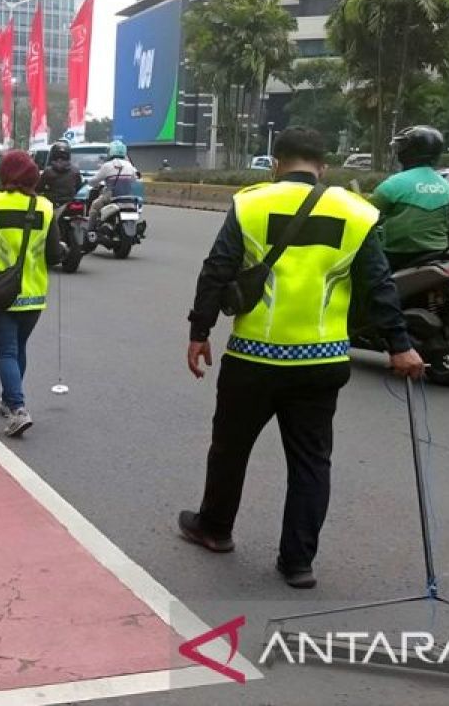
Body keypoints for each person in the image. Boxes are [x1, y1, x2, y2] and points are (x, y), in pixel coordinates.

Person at [181, 126, 424, 590]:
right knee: (312, 462)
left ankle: (214, 529)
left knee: (230, 449)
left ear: (276, 163)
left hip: (252, 359)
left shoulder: (251, 204)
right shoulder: (356, 213)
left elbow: (217, 269)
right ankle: (297, 562)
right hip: (321, 362)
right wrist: (399, 345)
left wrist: (200, 331)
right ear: (322, 167)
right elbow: (379, 285)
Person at [0, 150, 64, 438]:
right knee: (18, 348)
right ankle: (9, 400)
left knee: (6, 351)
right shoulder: (45, 207)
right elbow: (55, 255)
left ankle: (18, 408)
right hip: (33, 295)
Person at [371, 125, 449, 270]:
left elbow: (367, 212)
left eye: (402, 147)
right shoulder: (446, 185)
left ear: (410, 151)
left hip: (399, 254)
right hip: (438, 252)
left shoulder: (395, 183)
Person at [86, 140, 139, 232]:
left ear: (111, 151)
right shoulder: (129, 165)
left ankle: (90, 231)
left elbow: (95, 180)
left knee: (94, 207)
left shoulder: (107, 166)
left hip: (111, 197)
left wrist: (88, 181)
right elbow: (134, 180)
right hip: (128, 197)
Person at [35, 139, 83, 207]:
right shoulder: (75, 170)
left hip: (51, 203)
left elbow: (39, 188)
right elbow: (79, 186)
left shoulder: (48, 171)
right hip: (69, 203)